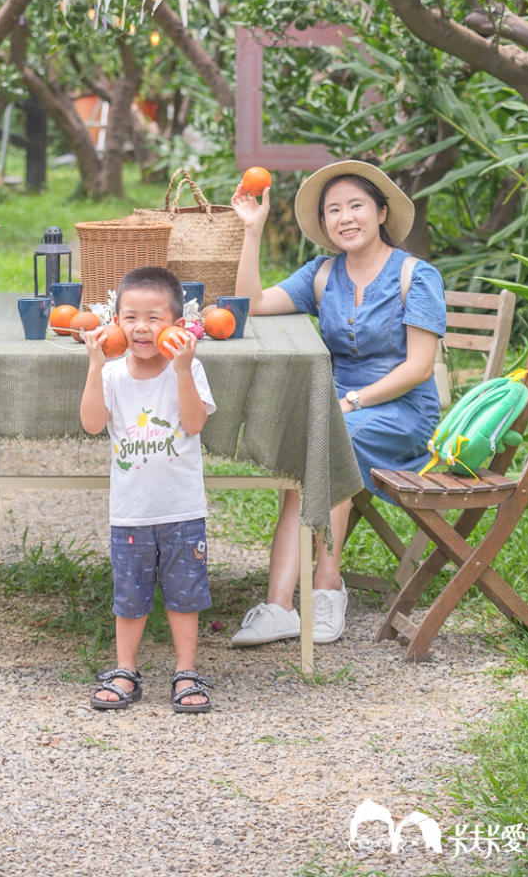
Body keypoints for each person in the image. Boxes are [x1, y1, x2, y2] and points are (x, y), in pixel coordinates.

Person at [229, 159, 446, 647]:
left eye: (356, 206)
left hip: (403, 414)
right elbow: (252, 304)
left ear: (382, 212)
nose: (345, 217)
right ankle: (279, 606)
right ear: (325, 223)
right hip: (341, 412)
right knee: (319, 446)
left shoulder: (417, 275)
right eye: (333, 210)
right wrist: (252, 232)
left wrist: (352, 401)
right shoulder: (324, 273)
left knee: (330, 439)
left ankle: (326, 588)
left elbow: (419, 368)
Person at [80, 266, 217, 713]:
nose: (141, 328)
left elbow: (195, 423)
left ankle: (186, 671)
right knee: (130, 597)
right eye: (130, 317)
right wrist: (95, 365)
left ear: (178, 325)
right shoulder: (113, 374)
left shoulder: (189, 367)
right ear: (114, 322)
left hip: (181, 509)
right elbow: (92, 423)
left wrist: (180, 370)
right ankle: (125, 669)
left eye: (154, 317)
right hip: (132, 512)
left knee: (186, 595)